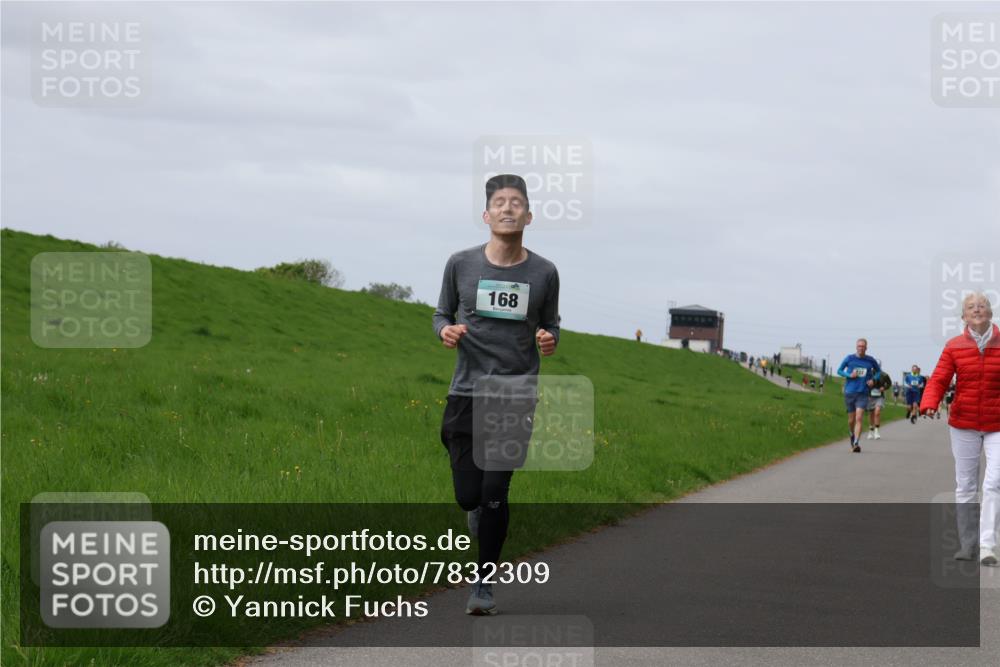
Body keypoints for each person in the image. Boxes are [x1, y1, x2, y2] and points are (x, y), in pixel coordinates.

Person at [433, 174, 561, 613]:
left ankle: (483, 584)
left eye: (517, 203)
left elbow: (552, 324)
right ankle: (478, 516)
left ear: (529, 215)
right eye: (500, 203)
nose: (508, 209)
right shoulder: (460, 264)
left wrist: (549, 339)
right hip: (466, 391)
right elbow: (439, 313)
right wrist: (445, 330)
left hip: (515, 393)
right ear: (487, 215)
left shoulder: (544, 273)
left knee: (494, 491)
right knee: (469, 495)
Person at [920, 292, 999, 567]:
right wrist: (929, 402)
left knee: (993, 482)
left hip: (997, 424)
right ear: (964, 316)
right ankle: (968, 544)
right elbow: (940, 377)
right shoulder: (954, 346)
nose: (977, 310)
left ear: (990, 313)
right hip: (963, 423)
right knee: (966, 485)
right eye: (970, 307)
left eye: (982, 306)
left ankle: (987, 544)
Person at [837, 338, 882, 453]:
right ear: (856, 347)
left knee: (859, 418)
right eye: (859, 346)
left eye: (863, 346)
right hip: (850, 392)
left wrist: (873, 380)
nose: (861, 348)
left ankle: (856, 442)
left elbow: (878, 372)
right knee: (851, 420)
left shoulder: (870, 360)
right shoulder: (849, 358)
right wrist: (849, 375)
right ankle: (852, 434)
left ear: (866, 348)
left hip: (863, 393)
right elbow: (839, 371)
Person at [865, 363, 892, 440]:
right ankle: (870, 431)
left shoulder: (884, 375)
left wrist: (884, 387)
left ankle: (876, 431)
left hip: (880, 396)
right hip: (870, 396)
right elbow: (864, 383)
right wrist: (868, 385)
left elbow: (889, 384)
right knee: (871, 414)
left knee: (877, 412)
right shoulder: (869, 374)